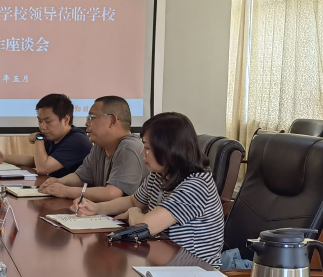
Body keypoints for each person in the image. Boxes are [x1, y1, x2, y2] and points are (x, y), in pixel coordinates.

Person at [71, 112, 224, 265]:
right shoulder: (160, 174)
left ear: (168, 149)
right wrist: (96, 208)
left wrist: (133, 212)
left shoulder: (196, 186)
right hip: (163, 259)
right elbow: (133, 200)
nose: (142, 152)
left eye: (147, 147)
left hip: (194, 271)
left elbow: (145, 226)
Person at [40, 96, 147, 201]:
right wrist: (60, 181)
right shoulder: (100, 146)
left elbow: (112, 193)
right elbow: (81, 176)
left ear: (112, 120)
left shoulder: (128, 148)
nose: (87, 123)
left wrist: (65, 191)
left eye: (92, 117)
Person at [0, 93, 92, 178]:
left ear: (66, 120)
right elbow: (36, 161)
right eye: (40, 121)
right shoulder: (54, 136)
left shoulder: (77, 140)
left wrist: (38, 138)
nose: (42, 127)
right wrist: (4, 158)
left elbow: (42, 168)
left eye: (48, 121)